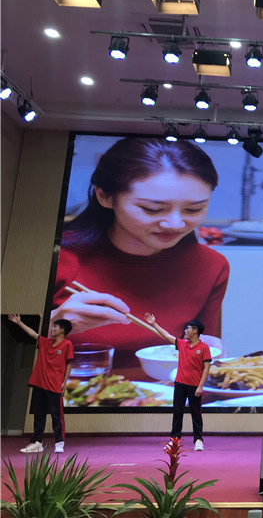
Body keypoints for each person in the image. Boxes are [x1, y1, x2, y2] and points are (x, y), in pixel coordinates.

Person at [50, 137, 229, 369]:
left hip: (163, 391)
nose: (175, 224)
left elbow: (200, 350)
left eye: (194, 209)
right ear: (105, 196)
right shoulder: (56, 256)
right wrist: (51, 325)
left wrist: (209, 349)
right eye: (153, 209)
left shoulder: (209, 265)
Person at [7, 313, 73, 454]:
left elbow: (69, 363)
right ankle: (37, 442)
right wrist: (19, 322)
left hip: (54, 385)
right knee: (39, 415)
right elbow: (33, 334)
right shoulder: (46, 342)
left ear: (62, 330)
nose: (52, 329)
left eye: (55, 327)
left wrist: (64, 382)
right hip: (40, 384)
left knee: (57, 416)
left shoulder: (67, 344)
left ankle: (59, 442)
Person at [144, 314, 211, 451]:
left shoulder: (204, 348)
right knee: (177, 413)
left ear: (195, 331)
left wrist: (200, 386)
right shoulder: (182, 344)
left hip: (194, 386)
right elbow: (166, 335)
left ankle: (198, 440)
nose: (185, 331)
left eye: (188, 328)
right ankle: (174, 440)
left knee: (196, 414)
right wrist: (154, 324)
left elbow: (206, 368)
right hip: (180, 384)